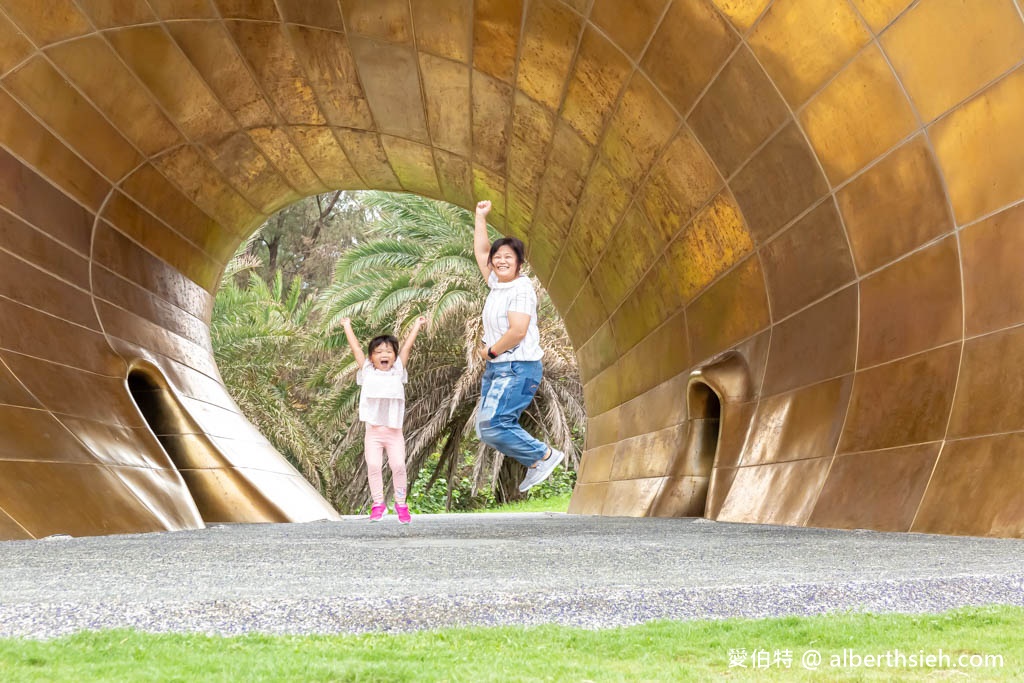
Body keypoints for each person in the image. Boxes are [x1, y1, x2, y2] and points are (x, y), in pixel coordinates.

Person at [472, 199, 565, 493]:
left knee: (493, 425)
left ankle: (544, 455)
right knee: (485, 429)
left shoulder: (520, 288)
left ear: (519, 264)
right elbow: (481, 251)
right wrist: (480, 217)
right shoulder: (497, 284)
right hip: (498, 369)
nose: (500, 260)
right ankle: (538, 460)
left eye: (508, 258)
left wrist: (490, 351)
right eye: (498, 257)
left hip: (517, 367)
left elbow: (518, 331)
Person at [340, 315, 427, 523]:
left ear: (394, 357)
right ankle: (378, 504)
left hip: (394, 432)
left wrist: (416, 326)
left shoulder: (397, 371)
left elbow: (406, 348)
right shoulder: (368, 371)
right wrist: (347, 326)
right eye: (378, 352)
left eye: (388, 351)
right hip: (374, 432)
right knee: (373, 466)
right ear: (372, 358)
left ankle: (401, 504)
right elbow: (356, 350)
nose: (384, 354)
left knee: (398, 466)